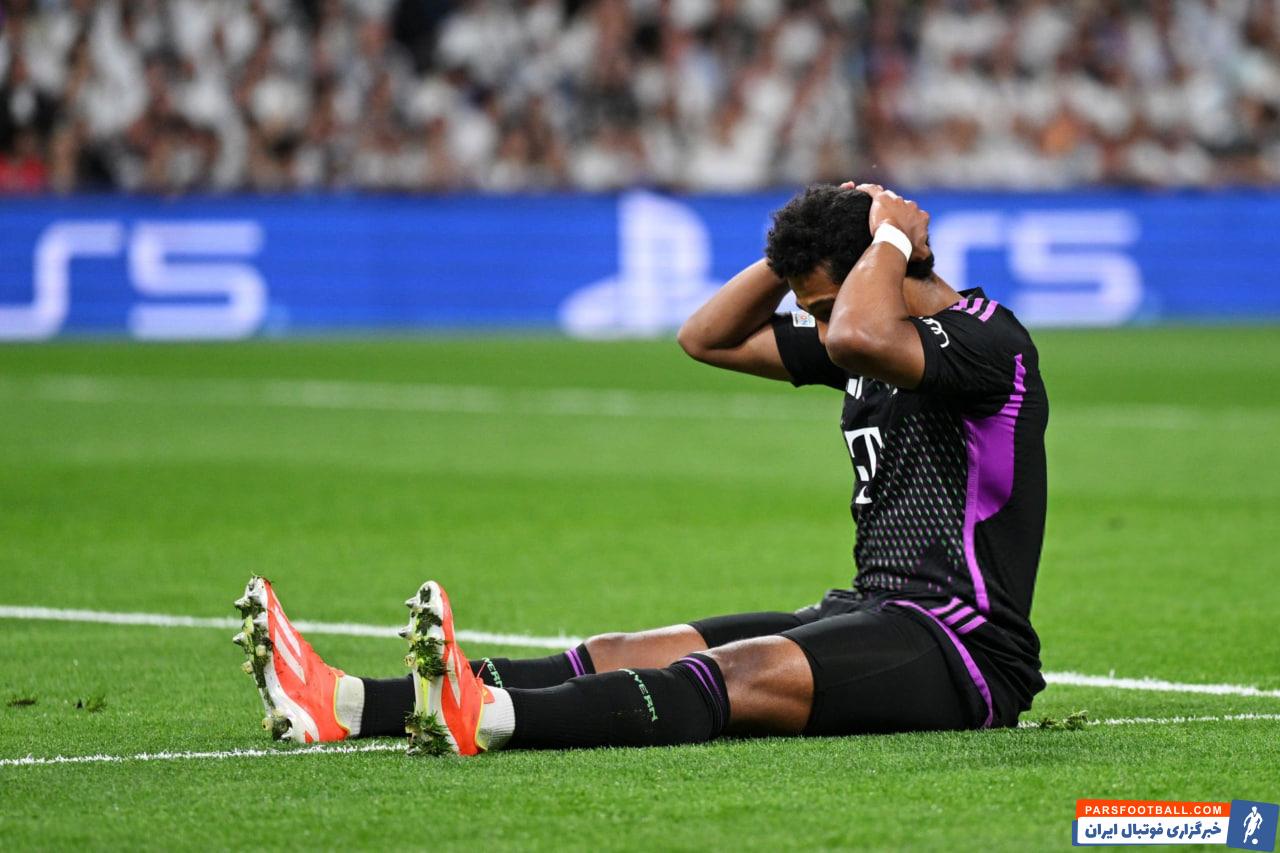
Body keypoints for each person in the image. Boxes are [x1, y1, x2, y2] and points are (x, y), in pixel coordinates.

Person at [233, 182, 1049, 754]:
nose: (823, 329)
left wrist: (890, 236)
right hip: (873, 608)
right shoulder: (863, 339)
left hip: (964, 648)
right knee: (629, 647)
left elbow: (859, 332)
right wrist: (800, 249)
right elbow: (707, 337)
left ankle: (492, 716)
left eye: (826, 306)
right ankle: (345, 703)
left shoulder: (989, 345)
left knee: (739, 673)